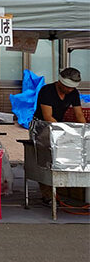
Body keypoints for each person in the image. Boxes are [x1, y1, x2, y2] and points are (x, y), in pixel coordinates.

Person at [32, 67, 85, 205]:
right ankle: (47, 194)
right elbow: (48, 117)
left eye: (71, 88)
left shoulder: (74, 93)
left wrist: (85, 130)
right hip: (41, 126)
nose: (69, 90)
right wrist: (63, 130)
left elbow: (79, 115)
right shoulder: (47, 91)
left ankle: (65, 188)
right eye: (67, 87)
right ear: (60, 82)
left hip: (59, 126)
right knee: (45, 159)